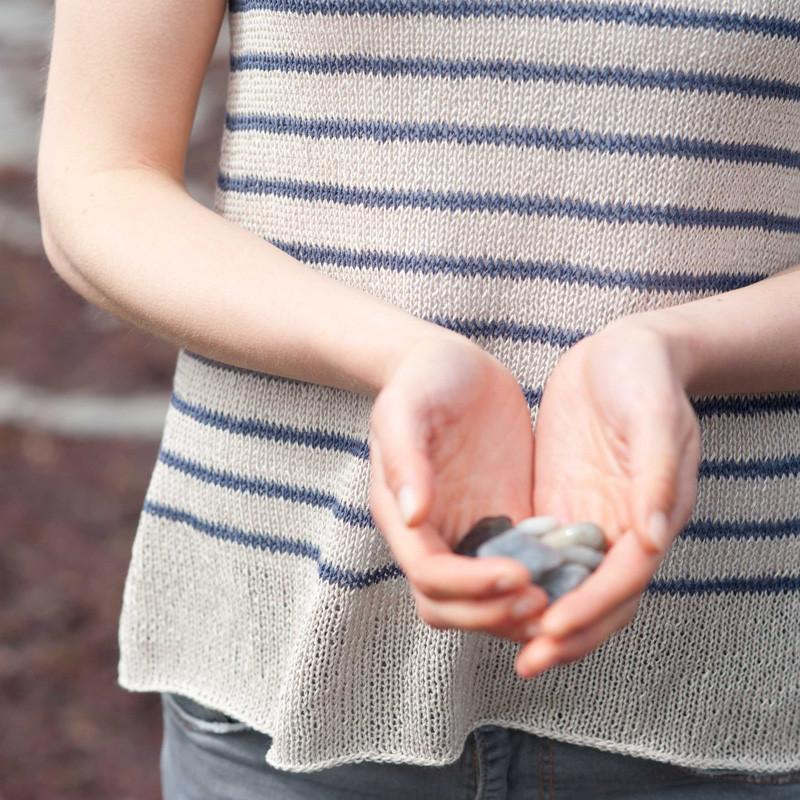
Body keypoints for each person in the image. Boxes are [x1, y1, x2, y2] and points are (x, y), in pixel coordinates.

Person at [36, 0, 800, 797]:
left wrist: (680, 348)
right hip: (287, 647)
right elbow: (98, 182)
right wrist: (390, 353)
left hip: (737, 683)